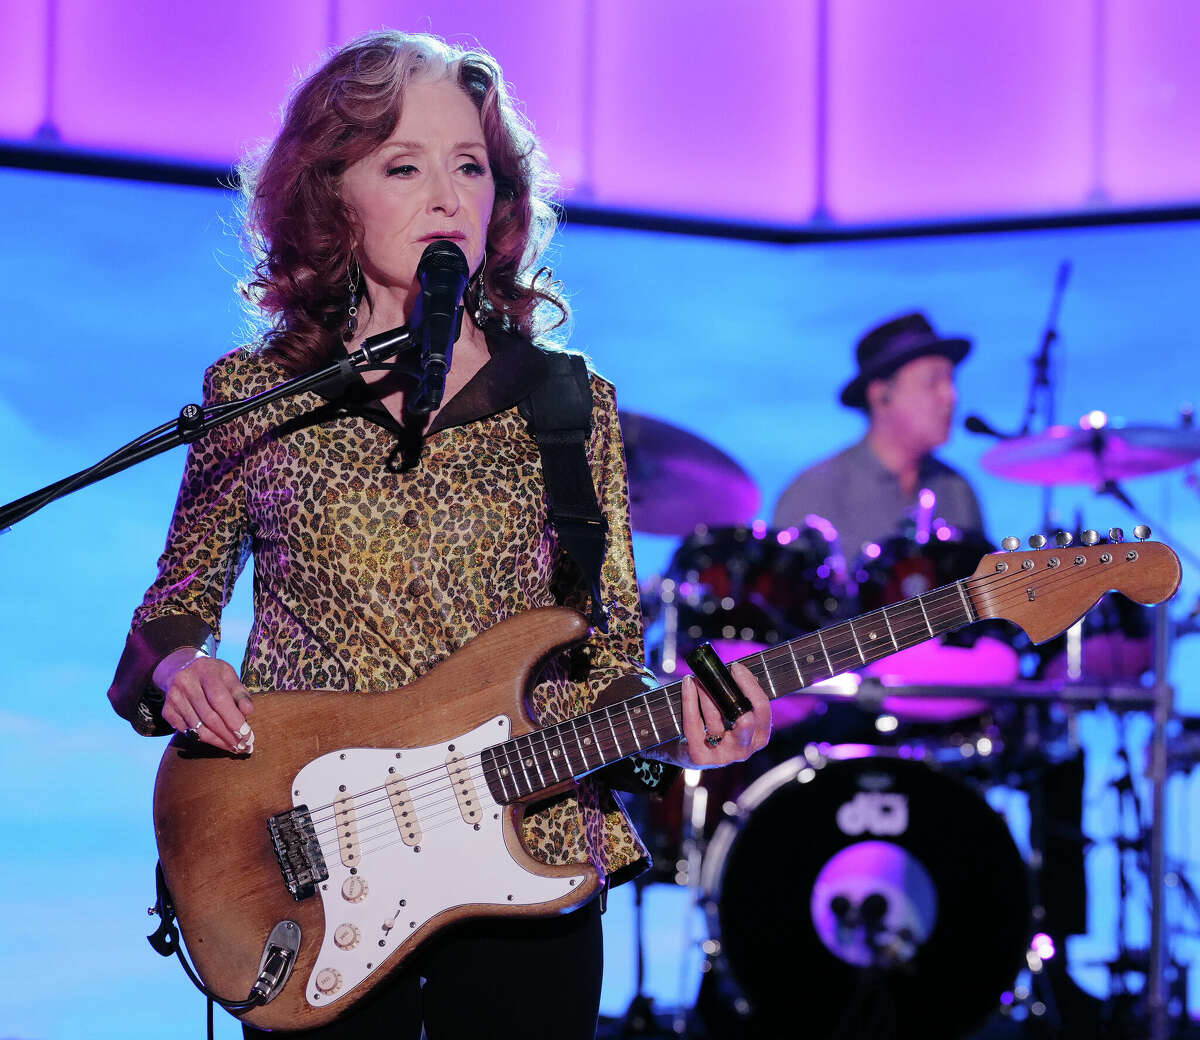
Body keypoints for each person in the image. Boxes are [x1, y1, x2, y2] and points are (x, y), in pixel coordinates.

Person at [105, 30, 771, 1040]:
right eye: (403, 165)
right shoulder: (255, 396)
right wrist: (175, 667)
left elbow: (604, 660)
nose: (447, 193)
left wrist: (683, 724)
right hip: (312, 861)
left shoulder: (568, 401)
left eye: (470, 165)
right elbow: (173, 601)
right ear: (334, 194)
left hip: (528, 850)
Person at [772, 311, 983, 557]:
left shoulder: (958, 491)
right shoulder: (812, 495)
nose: (950, 396)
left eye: (951, 382)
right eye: (932, 382)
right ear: (880, 395)